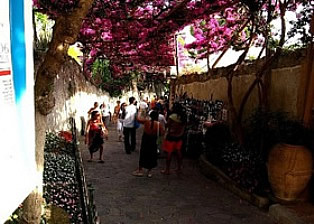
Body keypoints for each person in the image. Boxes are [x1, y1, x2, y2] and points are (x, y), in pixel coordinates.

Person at [132, 110, 165, 178]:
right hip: (153, 140)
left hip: (146, 139)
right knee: (152, 155)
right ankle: (149, 171)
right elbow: (162, 133)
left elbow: (138, 119)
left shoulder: (147, 122)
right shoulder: (158, 124)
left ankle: (140, 170)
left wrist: (140, 112)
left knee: (143, 154)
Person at [161, 103, 186, 175]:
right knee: (178, 152)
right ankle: (179, 168)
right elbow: (183, 128)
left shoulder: (172, 117)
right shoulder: (183, 116)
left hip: (171, 136)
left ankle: (167, 170)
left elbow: (167, 125)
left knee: (169, 152)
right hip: (179, 136)